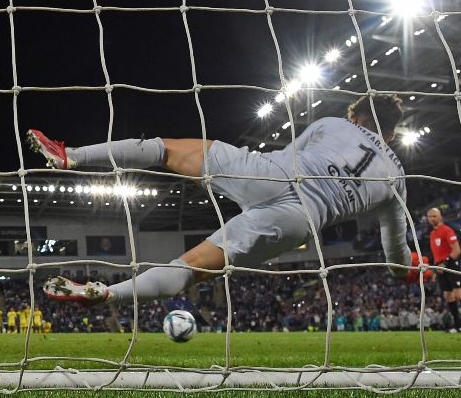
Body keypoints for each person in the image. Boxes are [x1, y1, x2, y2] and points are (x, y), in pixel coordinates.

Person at [29, 94, 425, 306]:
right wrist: (409, 269)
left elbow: (290, 154)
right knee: (190, 268)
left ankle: (72, 156)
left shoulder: (334, 123)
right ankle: (106, 293)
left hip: (268, 175)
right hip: (300, 221)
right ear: (390, 134)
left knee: (164, 150)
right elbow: (394, 255)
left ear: (357, 117)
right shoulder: (396, 180)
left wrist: (218, 175)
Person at [426, 207, 461, 333]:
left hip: (451, 265)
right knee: (448, 296)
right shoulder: (432, 234)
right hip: (440, 267)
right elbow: (436, 254)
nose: (431, 218)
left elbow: (457, 250)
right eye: (429, 216)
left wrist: (445, 263)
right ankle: (458, 325)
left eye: (434, 216)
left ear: (440, 217)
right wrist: (434, 269)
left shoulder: (447, 230)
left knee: (459, 293)